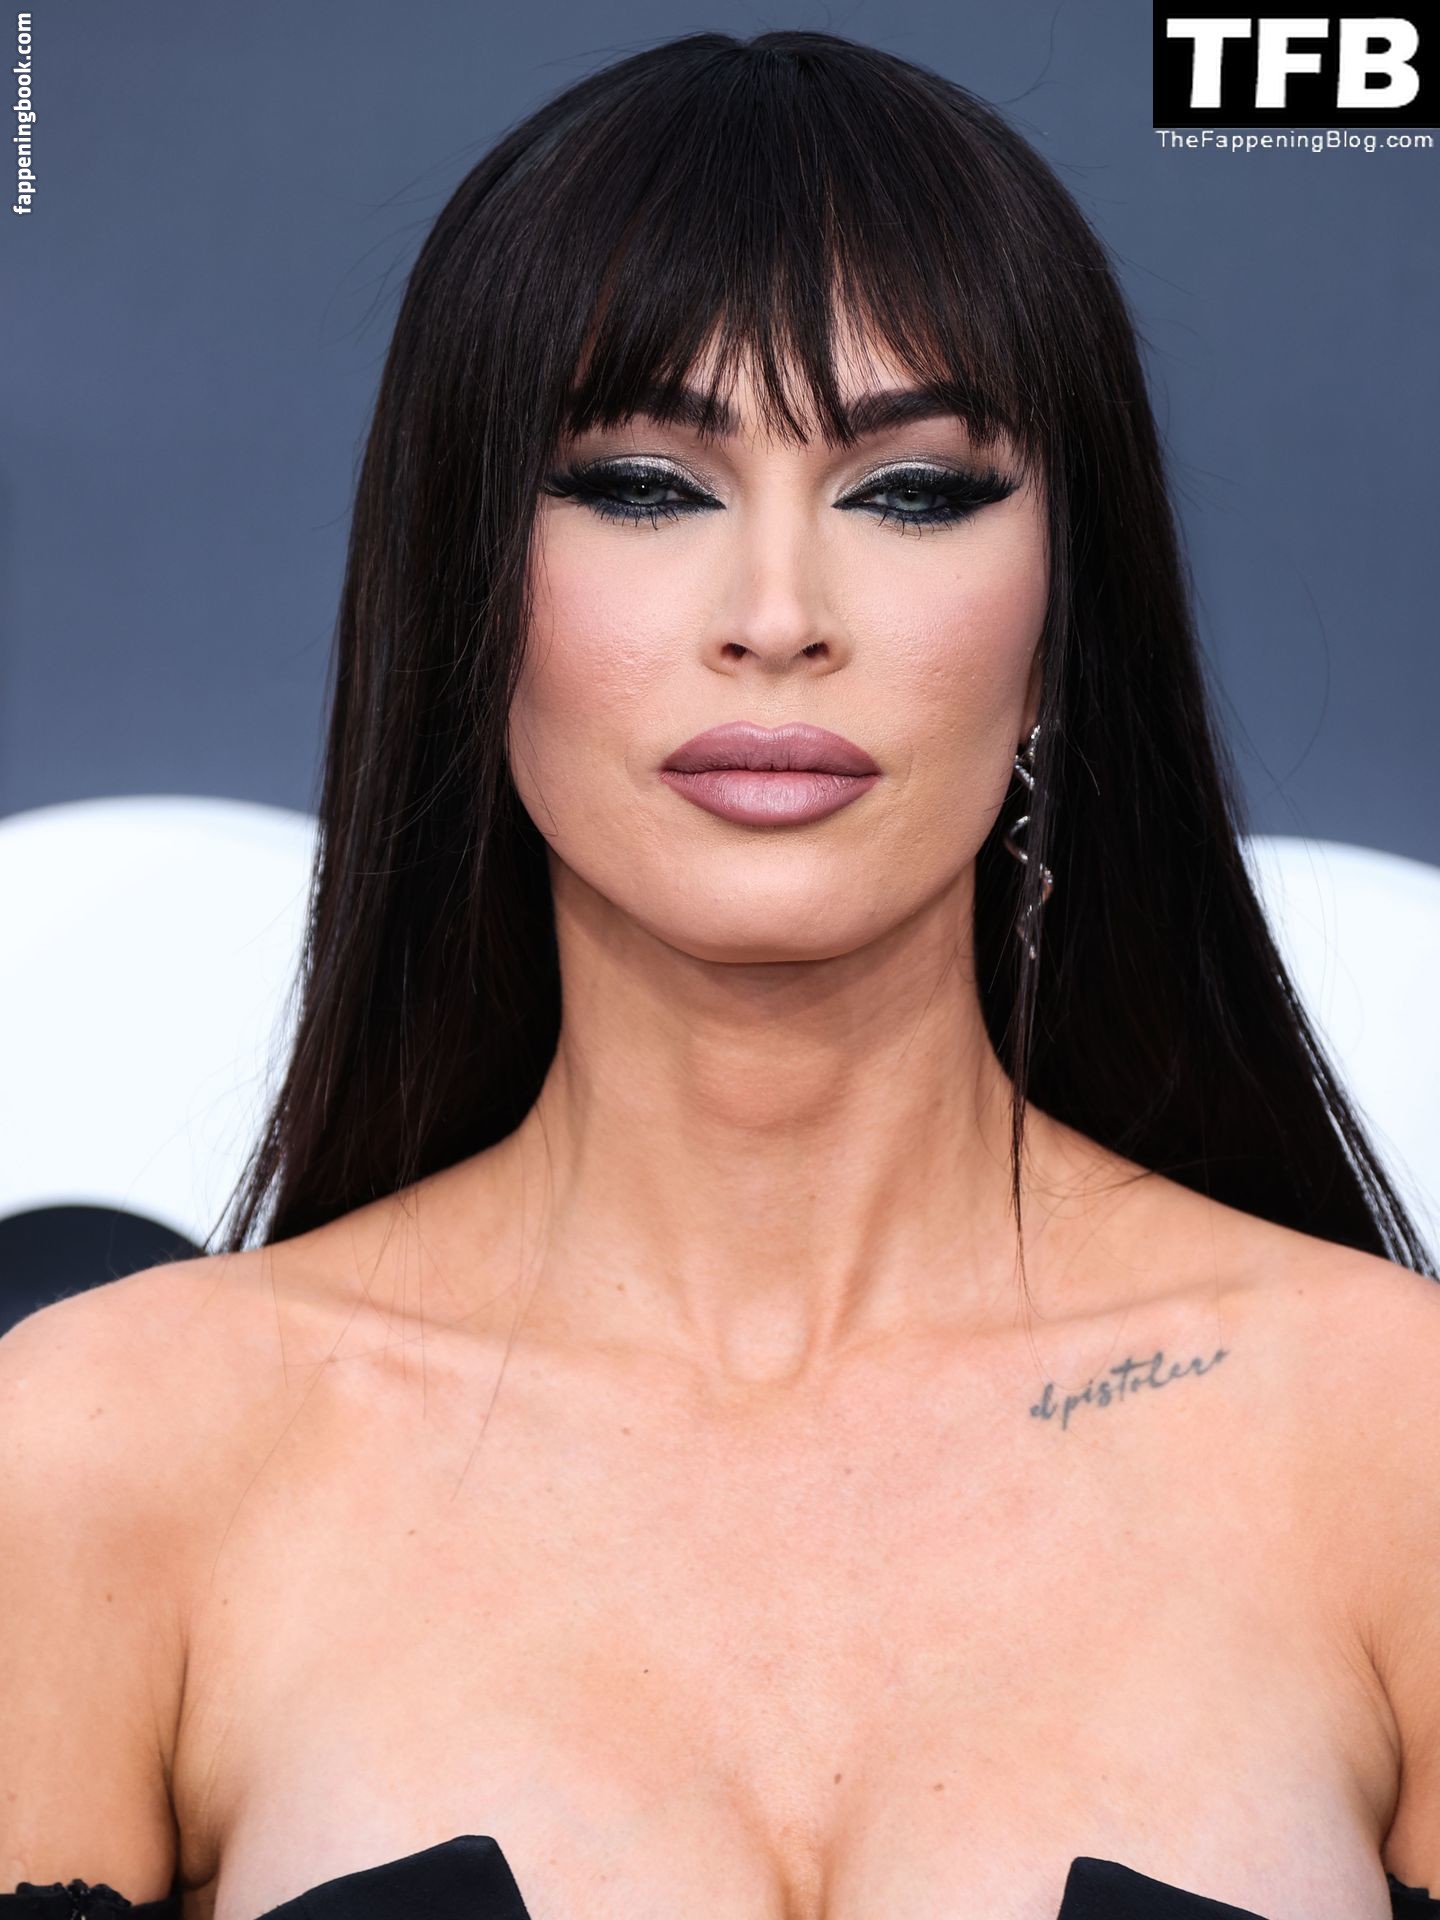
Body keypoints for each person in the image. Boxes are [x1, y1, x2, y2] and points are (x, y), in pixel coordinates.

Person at [3, 27, 1438, 1920]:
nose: (777, 618)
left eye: (909, 491)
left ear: (1063, 617)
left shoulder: (1390, 1436)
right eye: (642, 483)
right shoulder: (108, 1452)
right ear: (466, 583)